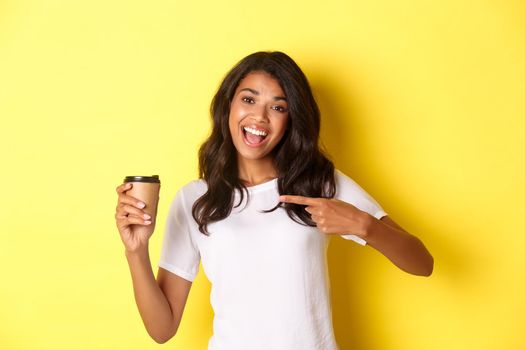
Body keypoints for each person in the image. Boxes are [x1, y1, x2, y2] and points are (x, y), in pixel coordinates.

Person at [114, 51, 434, 350]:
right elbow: (162, 329)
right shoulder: (196, 199)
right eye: (249, 99)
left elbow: (422, 263)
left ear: (291, 120)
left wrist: (366, 227)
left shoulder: (319, 183)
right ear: (229, 106)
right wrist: (136, 251)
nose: (260, 116)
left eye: (278, 107)